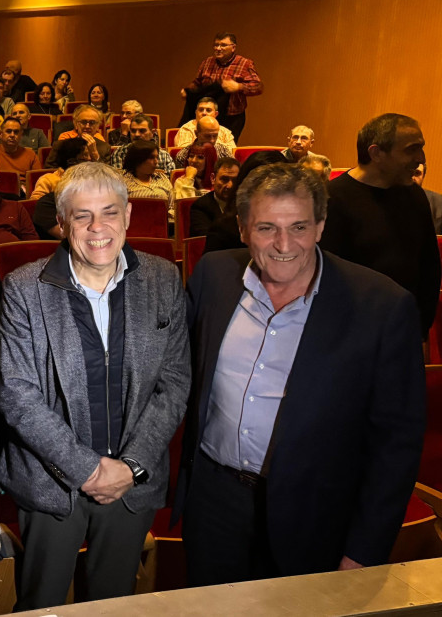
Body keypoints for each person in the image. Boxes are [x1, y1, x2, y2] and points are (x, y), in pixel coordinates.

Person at [177, 163, 425, 585]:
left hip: (315, 514)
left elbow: (396, 444)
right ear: (242, 228)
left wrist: (364, 550)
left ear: (320, 227)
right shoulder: (213, 276)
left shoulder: (382, 306)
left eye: (299, 227)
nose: (284, 244)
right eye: (266, 228)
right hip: (214, 503)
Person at [0, 162, 189, 609]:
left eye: (109, 213)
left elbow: (175, 382)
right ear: (62, 223)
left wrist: (131, 466)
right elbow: (17, 394)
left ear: (128, 216)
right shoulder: (23, 288)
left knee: (113, 603)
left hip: (132, 482)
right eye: (82, 216)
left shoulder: (163, 279)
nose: (97, 228)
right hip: (50, 482)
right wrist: (87, 469)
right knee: (42, 603)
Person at [320, 113, 440, 339]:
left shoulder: (414, 196)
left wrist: (420, 328)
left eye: (421, 148)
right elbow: (326, 279)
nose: (421, 158)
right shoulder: (331, 199)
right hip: (351, 335)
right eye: (411, 149)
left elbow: (429, 268)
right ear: (376, 153)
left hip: (404, 331)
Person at [180, 32, 262, 140]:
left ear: (233, 47)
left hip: (231, 117)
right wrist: (188, 91)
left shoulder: (245, 64)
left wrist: (238, 87)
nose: (218, 48)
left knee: (225, 145)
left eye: (223, 45)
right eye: (216, 45)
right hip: (207, 116)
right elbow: (197, 82)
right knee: (201, 143)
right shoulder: (207, 62)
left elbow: (258, 86)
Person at [189, 157, 241, 237]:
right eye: (224, 179)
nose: (230, 186)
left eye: (235, 180)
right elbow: (205, 238)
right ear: (213, 178)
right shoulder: (200, 207)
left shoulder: (245, 203)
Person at [121, 140, 174, 217]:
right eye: (151, 157)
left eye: (157, 157)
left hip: (161, 222)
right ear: (138, 159)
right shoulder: (123, 181)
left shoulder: (162, 178)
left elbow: (172, 207)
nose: (156, 162)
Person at [108, 114, 176, 174]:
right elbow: (118, 180)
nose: (137, 134)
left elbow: (168, 182)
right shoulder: (120, 153)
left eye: (142, 131)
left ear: (152, 133)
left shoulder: (164, 155)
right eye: (133, 131)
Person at [173, 98, 237, 154]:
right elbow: (185, 153)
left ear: (216, 114)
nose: (204, 113)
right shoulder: (186, 129)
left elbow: (232, 152)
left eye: (208, 110)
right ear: (196, 112)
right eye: (201, 110)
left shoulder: (225, 132)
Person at [412, 163, 442, 234]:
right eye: (408, 172)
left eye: (417, 173)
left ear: (423, 176)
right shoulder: (385, 200)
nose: (412, 177)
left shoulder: (439, 203)